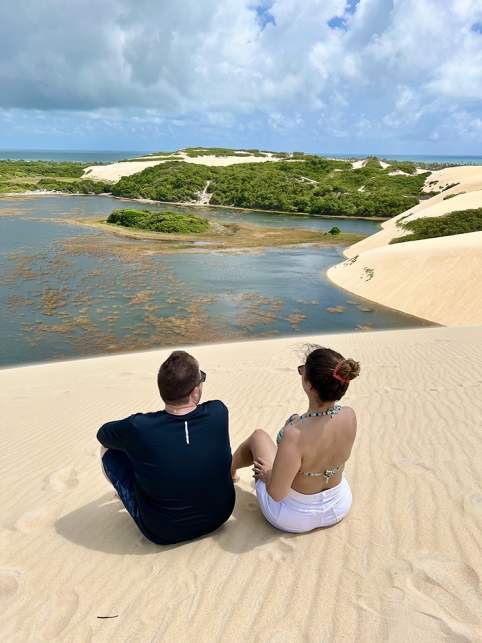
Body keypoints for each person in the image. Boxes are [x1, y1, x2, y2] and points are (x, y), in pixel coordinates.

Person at [97, 350, 235, 545]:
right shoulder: (218, 411)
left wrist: (146, 420)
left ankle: (125, 494)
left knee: (107, 451)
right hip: (220, 515)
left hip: (162, 531)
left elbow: (102, 435)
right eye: (201, 378)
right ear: (195, 392)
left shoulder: (139, 426)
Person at [231, 346, 360, 533]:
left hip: (294, 517)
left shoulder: (295, 433)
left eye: (303, 370)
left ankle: (230, 471)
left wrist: (269, 475)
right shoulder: (349, 415)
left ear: (310, 385)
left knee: (258, 436)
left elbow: (277, 494)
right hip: (338, 506)